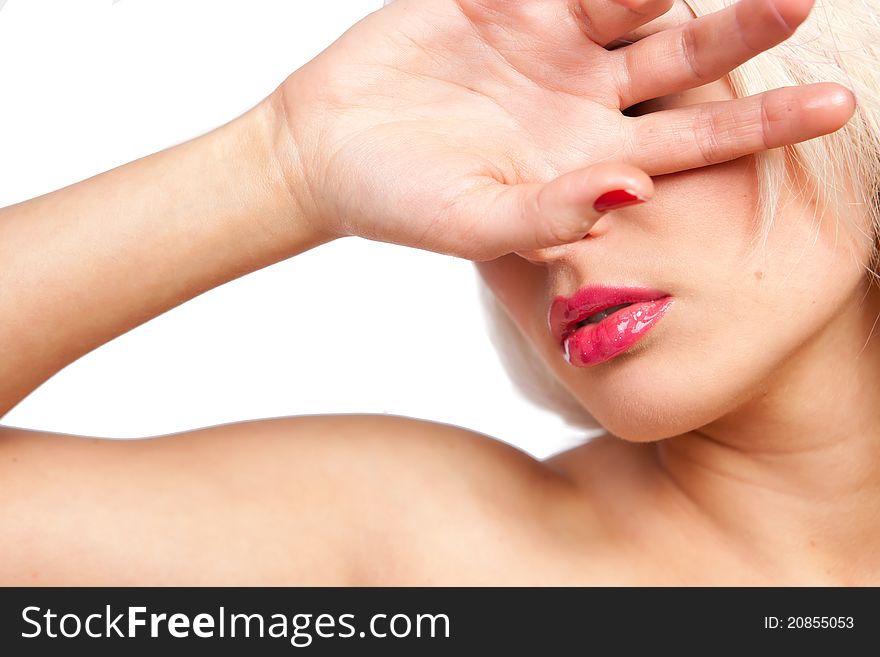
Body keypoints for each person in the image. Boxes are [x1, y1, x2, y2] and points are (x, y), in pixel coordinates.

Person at [0, 0, 875, 585]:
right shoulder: (435, 552)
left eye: (634, 120)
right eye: (500, 173)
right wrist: (286, 162)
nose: (543, 229)